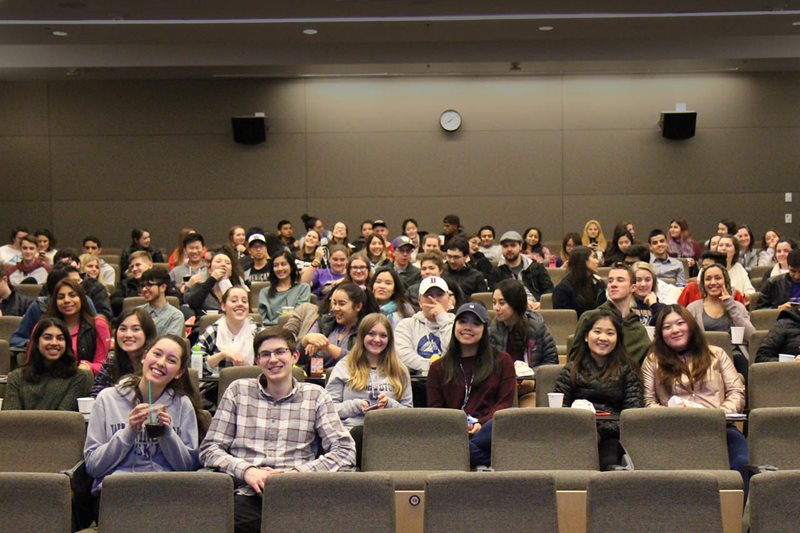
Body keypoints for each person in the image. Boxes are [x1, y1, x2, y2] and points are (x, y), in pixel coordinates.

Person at [199, 327, 356, 533]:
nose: (273, 359)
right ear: (257, 361)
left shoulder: (316, 396)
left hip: (299, 493)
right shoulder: (238, 391)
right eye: (265, 354)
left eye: (280, 352)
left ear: (295, 356)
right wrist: (247, 471)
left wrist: (296, 474)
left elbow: (345, 450)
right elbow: (210, 448)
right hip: (246, 494)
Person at [641, 305, 747, 488]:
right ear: (660, 334)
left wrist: (717, 415)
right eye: (667, 327)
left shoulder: (717, 354)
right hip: (673, 430)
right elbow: (647, 401)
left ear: (691, 326)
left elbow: (737, 392)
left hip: (719, 426)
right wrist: (675, 414)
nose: (675, 330)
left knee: (742, 462)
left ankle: (732, 515)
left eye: (680, 323)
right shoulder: (653, 360)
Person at [84, 334, 201, 500]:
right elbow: (93, 467)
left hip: (165, 494)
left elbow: (188, 467)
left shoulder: (182, 405)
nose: (161, 363)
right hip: (117, 493)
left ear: (179, 372)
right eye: (157, 354)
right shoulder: (107, 399)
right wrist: (129, 431)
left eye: (171, 360)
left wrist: (167, 434)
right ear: (145, 357)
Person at [426, 302, 515, 467]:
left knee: (508, 419)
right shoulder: (438, 367)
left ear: (484, 329)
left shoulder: (502, 361)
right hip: (453, 431)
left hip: (489, 430)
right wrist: (460, 426)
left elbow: (504, 403)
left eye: (475, 323)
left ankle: (461, 453)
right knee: (441, 437)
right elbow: (436, 411)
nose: (468, 327)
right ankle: (482, 456)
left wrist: (480, 424)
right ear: (455, 326)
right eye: (462, 322)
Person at [554, 309, 643, 470]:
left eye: (610, 333)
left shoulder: (628, 370)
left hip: (613, 436)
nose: (603, 338)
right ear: (587, 336)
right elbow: (560, 411)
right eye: (597, 332)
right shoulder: (571, 369)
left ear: (618, 338)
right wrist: (587, 429)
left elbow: (632, 415)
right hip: (576, 433)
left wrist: (600, 431)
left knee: (609, 465)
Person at [326, 313, 413, 465]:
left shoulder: (400, 369)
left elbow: (409, 412)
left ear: (389, 340)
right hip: (351, 432)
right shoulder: (344, 366)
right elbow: (328, 410)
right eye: (371, 334)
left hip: (389, 433)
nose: (377, 340)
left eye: (383, 335)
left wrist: (389, 405)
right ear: (361, 336)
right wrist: (356, 406)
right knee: (359, 434)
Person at [568, 263, 650, 365]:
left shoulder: (638, 330)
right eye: (610, 280)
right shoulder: (590, 317)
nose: (613, 284)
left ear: (633, 287)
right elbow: (574, 361)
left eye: (620, 280)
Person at [4, 317, 91, 410]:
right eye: (47, 338)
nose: (54, 343)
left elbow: (63, 419)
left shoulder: (78, 377)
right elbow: (11, 420)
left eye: (60, 338)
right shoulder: (16, 377)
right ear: (37, 343)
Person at [489, 278, 558, 396]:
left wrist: (531, 378)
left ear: (515, 303)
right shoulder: (493, 330)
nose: (496, 307)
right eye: (494, 302)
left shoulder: (537, 327)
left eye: (502, 303)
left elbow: (550, 362)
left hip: (531, 388)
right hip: (500, 388)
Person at [686, 263, 755, 379]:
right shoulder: (693, 308)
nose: (713, 282)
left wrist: (731, 306)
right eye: (708, 279)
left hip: (734, 356)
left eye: (718, 278)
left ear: (725, 281)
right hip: (702, 355)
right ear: (703, 284)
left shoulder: (736, 306)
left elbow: (751, 335)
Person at [301, 282, 377, 368]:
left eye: (341, 304)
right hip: (315, 379)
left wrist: (328, 347)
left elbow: (363, 361)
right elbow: (299, 358)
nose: (335, 308)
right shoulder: (323, 322)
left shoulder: (368, 330)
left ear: (358, 306)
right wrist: (306, 339)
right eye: (334, 303)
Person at [46, 277, 111, 374]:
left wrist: (87, 366)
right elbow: (32, 362)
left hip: (85, 381)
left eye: (72, 295)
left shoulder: (98, 325)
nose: (66, 300)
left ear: (82, 299)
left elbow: (103, 365)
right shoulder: (44, 326)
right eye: (61, 297)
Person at [91, 308, 157, 397]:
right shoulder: (111, 360)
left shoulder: (155, 363)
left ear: (147, 333)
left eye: (136, 329)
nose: (128, 335)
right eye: (123, 329)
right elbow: (96, 395)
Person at [196, 287, 261, 376]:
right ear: (223, 306)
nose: (240, 304)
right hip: (217, 386)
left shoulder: (257, 330)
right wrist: (222, 355)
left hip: (252, 384)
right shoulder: (214, 331)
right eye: (234, 301)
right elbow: (196, 361)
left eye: (244, 301)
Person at [395, 276, 455, 373]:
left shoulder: (458, 324)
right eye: (428, 295)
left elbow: (456, 353)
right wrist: (434, 367)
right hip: (416, 382)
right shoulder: (406, 325)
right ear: (419, 301)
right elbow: (403, 355)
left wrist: (442, 318)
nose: (434, 299)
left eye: (439, 295)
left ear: (449, 300)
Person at [488, 230, 553, 305]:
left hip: (536, 306)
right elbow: (496, 298)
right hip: (511, 309)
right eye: (505, 246)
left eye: (513, 245)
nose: (509, 249)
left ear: (520, 247)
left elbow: (548, 290)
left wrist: (541, 303)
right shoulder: (496, 272)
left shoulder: (536, 267)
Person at [184, 248, 247, 317]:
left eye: (227, 263)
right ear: (209, 269)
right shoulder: (200, 287)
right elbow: (193, 304)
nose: (223, 264)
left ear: (231, 272)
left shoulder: (238, 289)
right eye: (218, 261)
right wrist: (212, 279)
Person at [258, 250, 311, 326]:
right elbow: (262, 320)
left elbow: (300, 316)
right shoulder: (264, 292)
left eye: (283, 264)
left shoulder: (303, 289)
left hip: (294, 330)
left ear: (291, 267)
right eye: (276, 265)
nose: (279, 268)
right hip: (270, 332)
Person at [553, 247, 606, 318]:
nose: (597, 261)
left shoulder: (599, 284)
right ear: (582, 261)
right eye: (593, 257)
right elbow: (564, 321)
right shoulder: (562, 289)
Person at [138, 268, 185, 336]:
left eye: (149, 285)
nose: (144, 289)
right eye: (143, 286)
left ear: (163, 287)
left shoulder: (175, 316)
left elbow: (170, 343)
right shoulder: (138, 312)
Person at [111, 250, 155, 316]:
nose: (134, 269)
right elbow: (113, 302)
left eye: (138, 265)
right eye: (132, 266)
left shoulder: (161, 282)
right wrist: (135, 300)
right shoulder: (124, 284)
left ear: (150, 265)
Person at [716, 234, 756, 300]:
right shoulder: (707, 268)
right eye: (720, 245)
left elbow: (751, 293)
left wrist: (739, 296)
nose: (723, 248)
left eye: (728, 245)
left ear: (735, 251)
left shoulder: (738, 268)